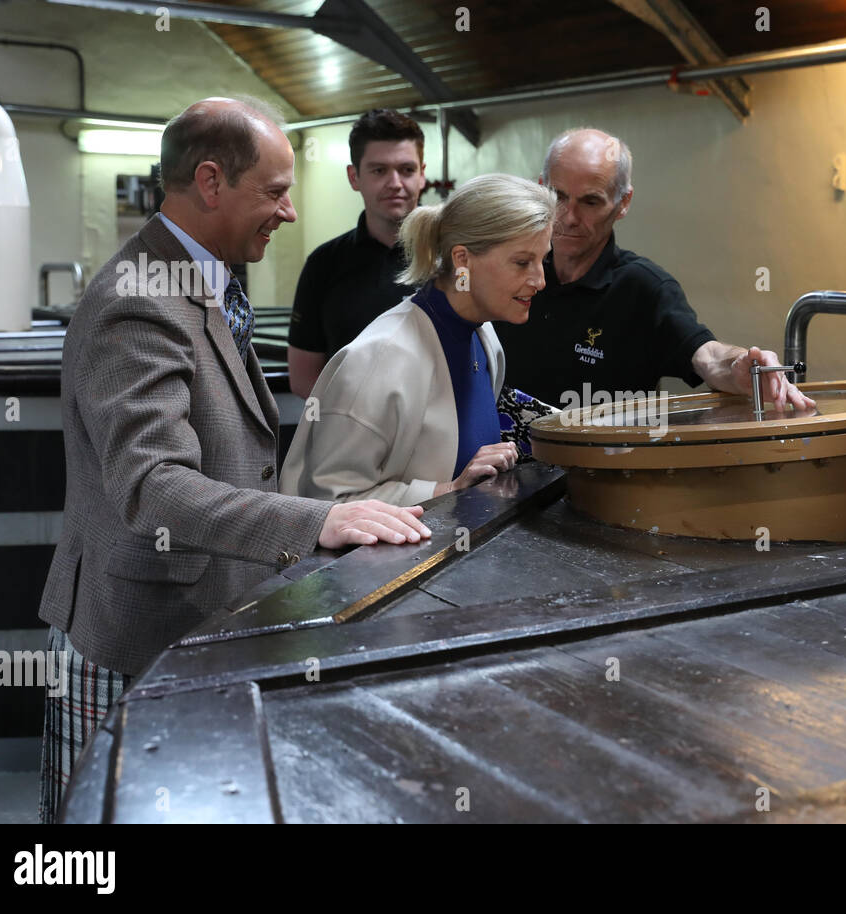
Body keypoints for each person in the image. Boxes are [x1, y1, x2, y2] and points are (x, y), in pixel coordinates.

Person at [37, 98, 431, 822]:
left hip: (197, 617)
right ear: (211, 182)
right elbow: (153, 486)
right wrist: (320, 520)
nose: (287, 212)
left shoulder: (204, 275)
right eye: (276, 192)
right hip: (134, 627)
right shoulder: (139, 302)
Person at [493, 128, 814, 412]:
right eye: (558, 196)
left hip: (598, 475)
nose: (569, 217)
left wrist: (741, 365)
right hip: (508, 473)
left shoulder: (643, 288)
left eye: (590, 202)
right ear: (539, 189)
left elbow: (706, 355)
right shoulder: (509, 270)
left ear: (624, 202)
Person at [281, 173, 554, 506]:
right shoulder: (379, 360)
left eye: (543, 260)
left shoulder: (484, 338)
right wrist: (448, 490)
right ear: (462, 260)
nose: (539, 280)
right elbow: (328, 501)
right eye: (523, 262)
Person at [287, 109, 427, 398]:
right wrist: (355, 427)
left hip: (442, 437)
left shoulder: (452, 258)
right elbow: (302, 377)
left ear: (422, 174)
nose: (395, 183)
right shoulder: (323, 264)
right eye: (379, 170)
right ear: (354, 177)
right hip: (349, 436)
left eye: (407, 170)